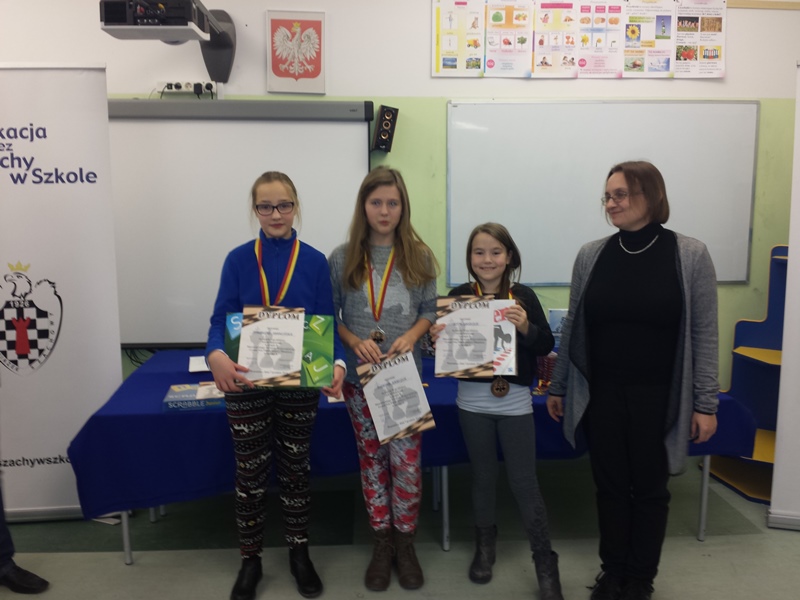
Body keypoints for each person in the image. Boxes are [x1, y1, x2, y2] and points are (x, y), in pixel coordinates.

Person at [546, 161, 719, 600]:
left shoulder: (690, 254)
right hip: (602, 394)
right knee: (608, 487)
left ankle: (640, 579)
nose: (611, 203)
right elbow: (573, 328)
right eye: (607, 196)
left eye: (620, 194)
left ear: (651, 195)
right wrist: (559, 386)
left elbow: (704, 333)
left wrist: (706, 403)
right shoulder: (591, 255)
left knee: (650, 490)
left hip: (660, 397)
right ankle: (613, 572)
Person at [206, 171, 346, 600]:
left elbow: (327, 322)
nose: (275, 214)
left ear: (296, 206)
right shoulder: (238, 259)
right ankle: (250, 560)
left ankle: (299, 554)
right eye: (265, 206)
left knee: (295, 470)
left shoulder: (314, 261)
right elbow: (219, 320)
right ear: (255, 210)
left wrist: (337, 363)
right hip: (247, 381)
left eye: (284, 205)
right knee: (249, 474)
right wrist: (215, 355)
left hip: (299, 383)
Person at [430, 223, 563, 600]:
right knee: (483, 477)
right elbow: (445, 349)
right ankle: (485, 546)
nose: (487, 259)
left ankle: (544, 560)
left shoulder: (523, 296)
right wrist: (437, 339)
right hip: (472, 403)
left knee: (524, 482)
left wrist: (526, 327)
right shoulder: (458, 297)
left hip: (515, 403)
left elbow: (546, 345)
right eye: (479, 252)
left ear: (509, 257)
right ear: (469, 258)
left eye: (495, 252)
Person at [328, 166, 438, 592]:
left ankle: (405, 544)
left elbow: (429, 309)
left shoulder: (419, 255)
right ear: (364, 206)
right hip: (360, 381)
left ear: (403, 206)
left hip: (403, 379)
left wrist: (412, 335)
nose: (385, 211)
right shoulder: (343, 257)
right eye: (376, 202)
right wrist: (355, 341)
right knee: (372, 461)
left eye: (393, 203)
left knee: (406, 465)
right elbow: (331, 316)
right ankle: (382, 542)